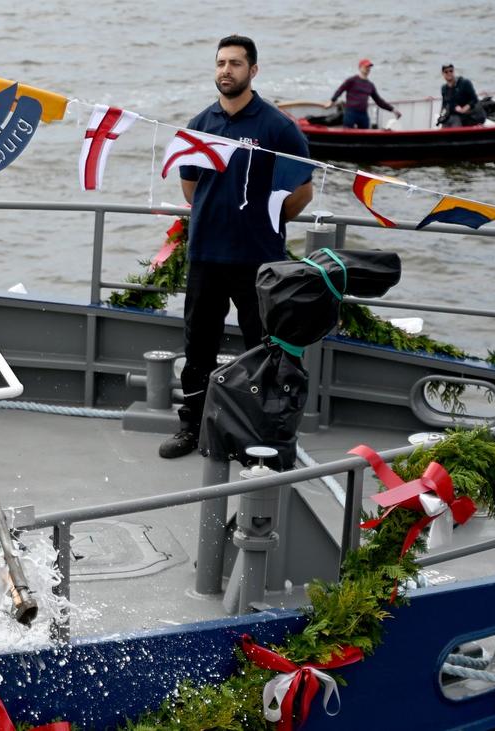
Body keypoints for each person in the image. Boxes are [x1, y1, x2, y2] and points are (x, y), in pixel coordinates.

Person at [159, 35, 314, 459]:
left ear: (253, 70)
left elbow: (302, 191)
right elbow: (190, 188)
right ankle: (192, 426)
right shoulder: (199, 125)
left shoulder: (278, 127)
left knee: (262, 350)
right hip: (206, 256)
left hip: (258, 260)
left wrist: (265, 223)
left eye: (235, 63)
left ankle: (259, 434)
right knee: (198, 348)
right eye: (221, 63)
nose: (226, 70)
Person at [324, 58, 402, 129]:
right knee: (347, 134)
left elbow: (379, 101)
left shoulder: (370, 85)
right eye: (366, 66)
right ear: (360, 68)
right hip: (351, 113)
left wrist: (393, 110)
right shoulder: (352, 80)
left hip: (363, 114)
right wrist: (332, 101)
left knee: (365, 134)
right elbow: (340, 90)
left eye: (369, 67)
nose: (368, 69)